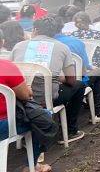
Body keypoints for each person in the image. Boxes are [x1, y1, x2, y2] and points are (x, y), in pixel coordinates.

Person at [11, 16, 86, 144]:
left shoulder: (19, 46)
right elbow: (71, 80)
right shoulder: (62, 47)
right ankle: (70, 131)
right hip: (47, 99)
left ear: (35, 30)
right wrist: (58, 77)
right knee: (79, 85)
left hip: (21, 98)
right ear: (55, 31)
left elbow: (12, 72)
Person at [0, 42, 51, 172]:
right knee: (43, 117)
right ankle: (32, 165)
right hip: (3, 126)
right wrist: (27, 87)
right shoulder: (6, 66)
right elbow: (26, 95)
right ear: (2, 43)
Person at [52, 18, 100, 123]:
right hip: (73, 83)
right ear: (61, 27)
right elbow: (84, 70)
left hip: (45, 87)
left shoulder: (35, 46)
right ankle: (97, 112)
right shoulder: (75, 42)